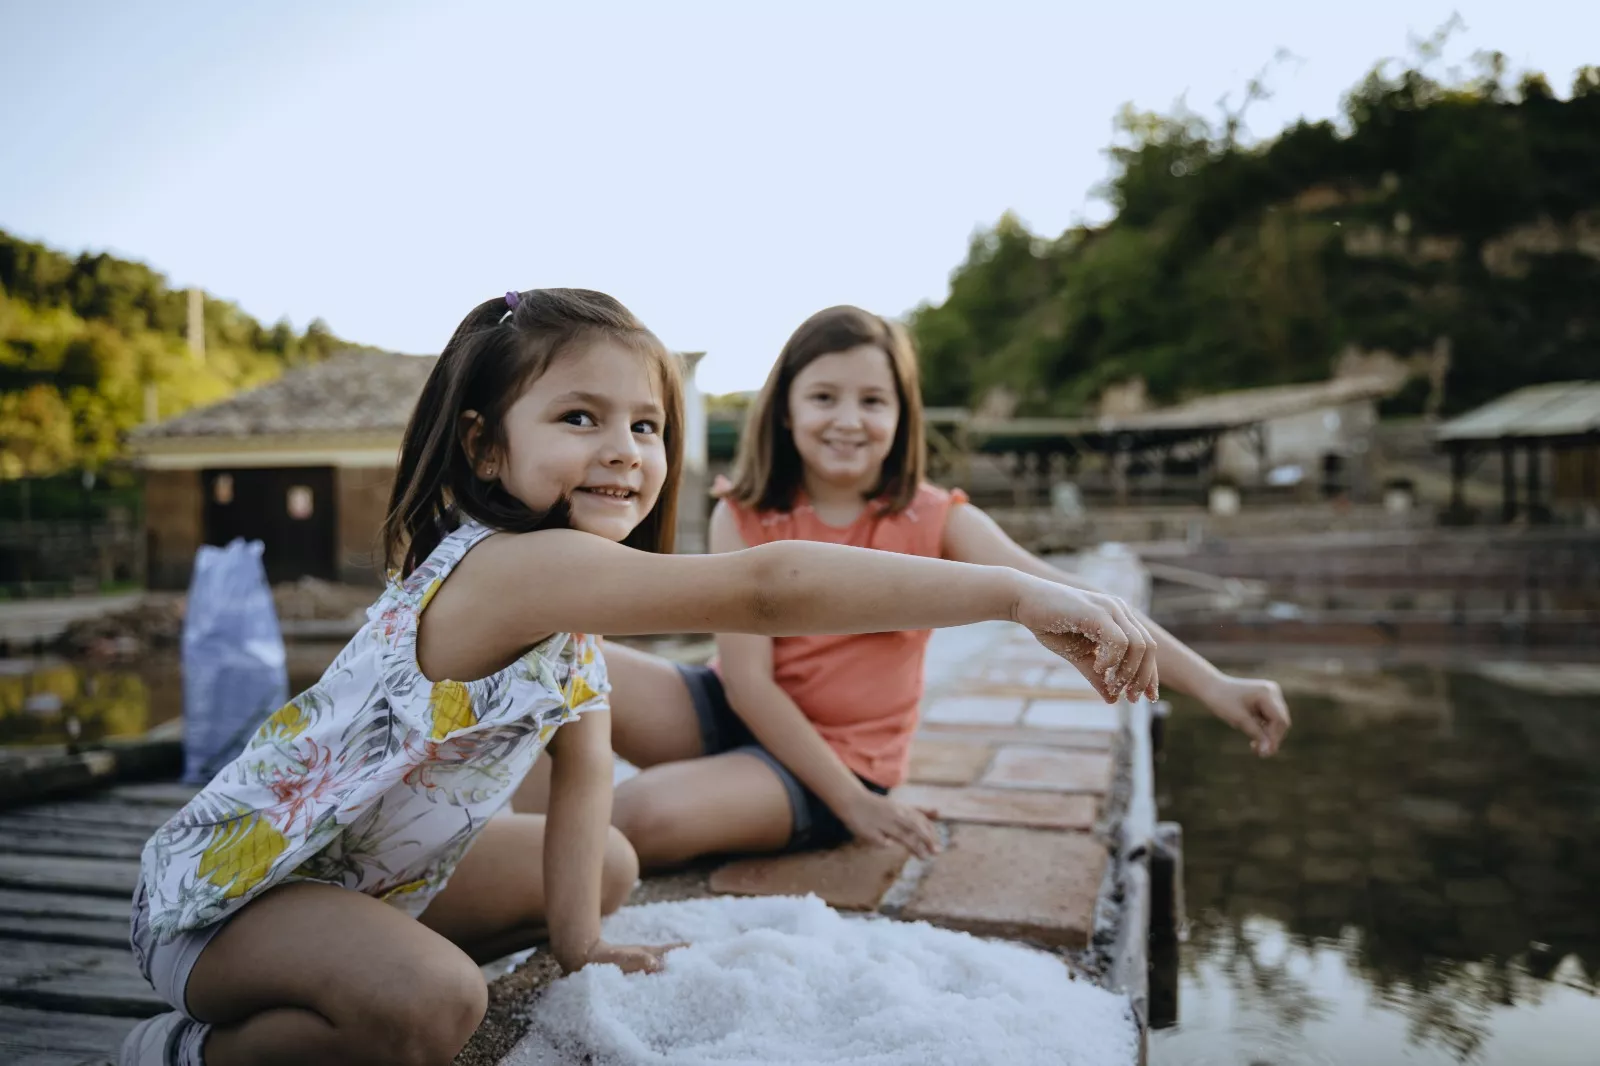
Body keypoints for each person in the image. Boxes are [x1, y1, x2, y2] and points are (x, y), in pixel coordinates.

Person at [122, 290, 1158, 1066]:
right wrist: (1012, 596)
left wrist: (580, 947)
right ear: (484, 446)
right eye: (579, 418)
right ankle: (179, 1052)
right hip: (229, 898)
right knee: (438, 1007)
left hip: (359, 878)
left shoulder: (570, 615)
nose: (624, 450)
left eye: (646, 425)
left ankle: (368, 959)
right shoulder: (510, 568)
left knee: (608, 865)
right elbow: (764, 588)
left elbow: (584, 773)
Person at [565, 305, 1291, 869]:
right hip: (731, 707)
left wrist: (1216, 683)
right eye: (824, 396)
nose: (848, 420)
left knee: (639, 816)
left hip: (844, 764)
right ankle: (518, 840)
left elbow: (1074, 595)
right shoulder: (745, 511)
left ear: (901, 415)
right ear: (785, 408)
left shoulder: (933, 516)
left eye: (872, 401)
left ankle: (558, 867)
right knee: (564, 664)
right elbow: (749, 686)